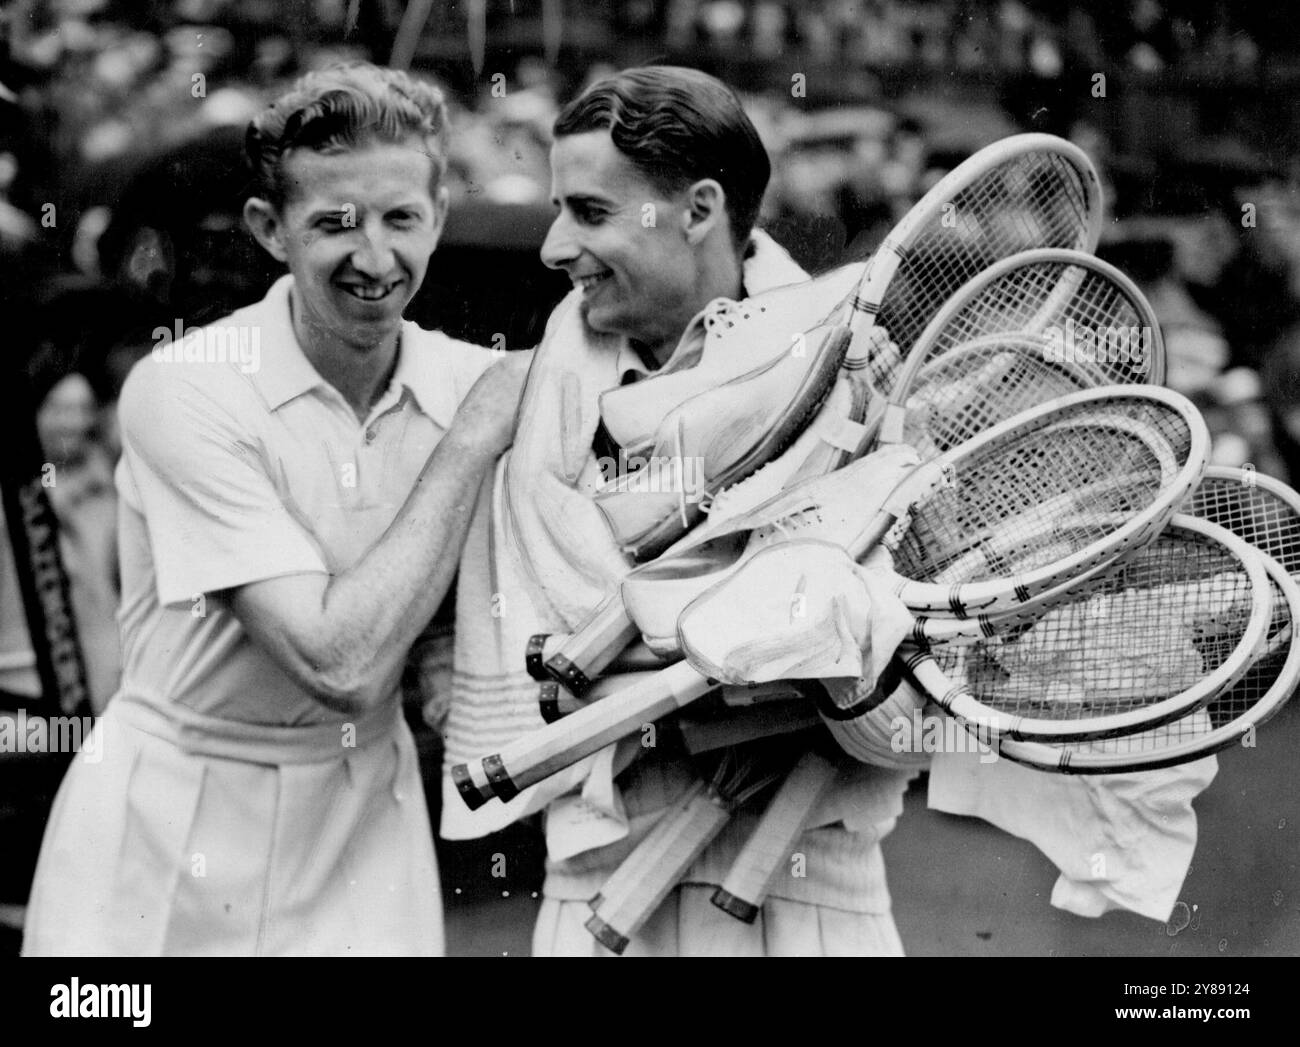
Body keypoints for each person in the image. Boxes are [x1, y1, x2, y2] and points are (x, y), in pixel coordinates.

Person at [22, 62, 529, 956]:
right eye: (335, 222)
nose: (374, 258)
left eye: (402, 219)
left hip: (364, 817)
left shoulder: (472, 382)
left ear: (439, 217)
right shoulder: (183, 387)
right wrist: (471, 441)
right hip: (167, 815)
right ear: (270, 229)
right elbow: (339, 664)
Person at [440, 65, 926, 957]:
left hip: (812, 890)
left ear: (698, 210)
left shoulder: (869, 380)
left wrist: (812, 656)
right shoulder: (523, 403)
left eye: (588, 212)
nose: (552, 246)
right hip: (596, 891)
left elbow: (918, 715)